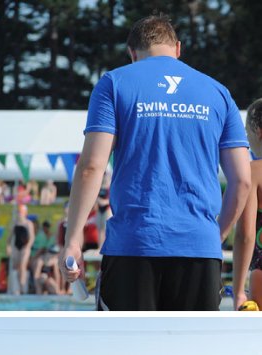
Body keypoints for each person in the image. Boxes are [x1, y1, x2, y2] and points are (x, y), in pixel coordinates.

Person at [60, 15, 252, 311]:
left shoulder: (114, 83)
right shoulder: (218, 93)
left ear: (132, 52)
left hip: (133, 247)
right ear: (178, 48)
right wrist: (216, 234)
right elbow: (242, 181)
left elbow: (91, 167)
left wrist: (73, 241)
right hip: (200, 249)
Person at [236, 98, 262, 310]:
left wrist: (237, 290)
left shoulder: (254, 171)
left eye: (247, 132)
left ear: (258, 131)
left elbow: (246, 234)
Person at [7, 204, 34, 295]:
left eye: (21, 212)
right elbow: (10, 237)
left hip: (25, 247)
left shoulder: (28, 223)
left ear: (25, 213)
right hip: (16, 247)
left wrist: (28, 247)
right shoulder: (14, 223)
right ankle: (16, 287)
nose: (19, 214)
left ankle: (23, 287)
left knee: (22, 266)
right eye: (18, 212)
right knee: (15, 266)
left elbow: (31, 237)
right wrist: (8, 247)